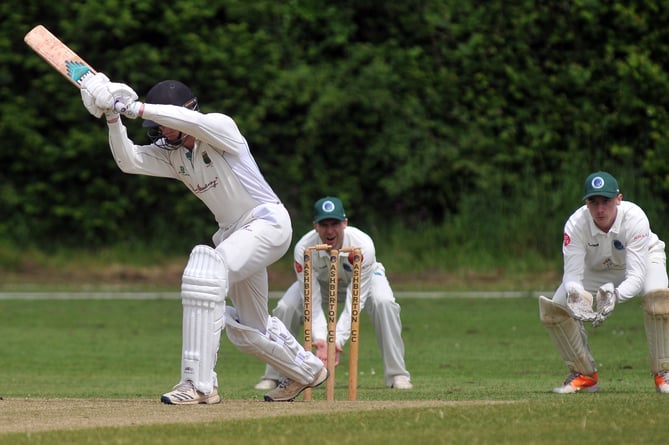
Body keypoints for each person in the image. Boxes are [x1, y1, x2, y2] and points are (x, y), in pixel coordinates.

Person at [79, 73, 328, 403]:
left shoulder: (220, 129)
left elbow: (188, 120)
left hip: (266, 222)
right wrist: (112, 117)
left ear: (186, 109)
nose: (162, 133)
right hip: (234, 235)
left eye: (165, 123)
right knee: (250, 332)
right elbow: (129, 161)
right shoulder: (172, 153)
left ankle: (198, 384)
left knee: (204, 272)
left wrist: (135, 108)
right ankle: (307, 370)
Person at [254, 196, 413, 391]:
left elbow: (355, 300)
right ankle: (274, 376)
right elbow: (310, 300)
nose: (330, 231)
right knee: (285, 307)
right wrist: (322, 340)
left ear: (345, 223)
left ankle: (397, 374)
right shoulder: (304, 249)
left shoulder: (363, 246)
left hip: (364, 280)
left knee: (384, 303)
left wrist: (335, 340)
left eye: (335, 224)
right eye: (324, 224)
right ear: (315, 226)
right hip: (321, 284)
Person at [539, 171, 669, 394]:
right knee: (554, 310)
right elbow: (572, 275)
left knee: (658, 299)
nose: (600, 209)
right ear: (586, 203)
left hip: (644, 259)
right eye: (593, 202)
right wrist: (575, 294)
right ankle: (585, 375)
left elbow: (636, 277)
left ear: (618, 199)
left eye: (606, 201)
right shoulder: (575, 224)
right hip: (597, 268)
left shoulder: (635, 218)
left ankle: (664, 372)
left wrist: (615, 296)